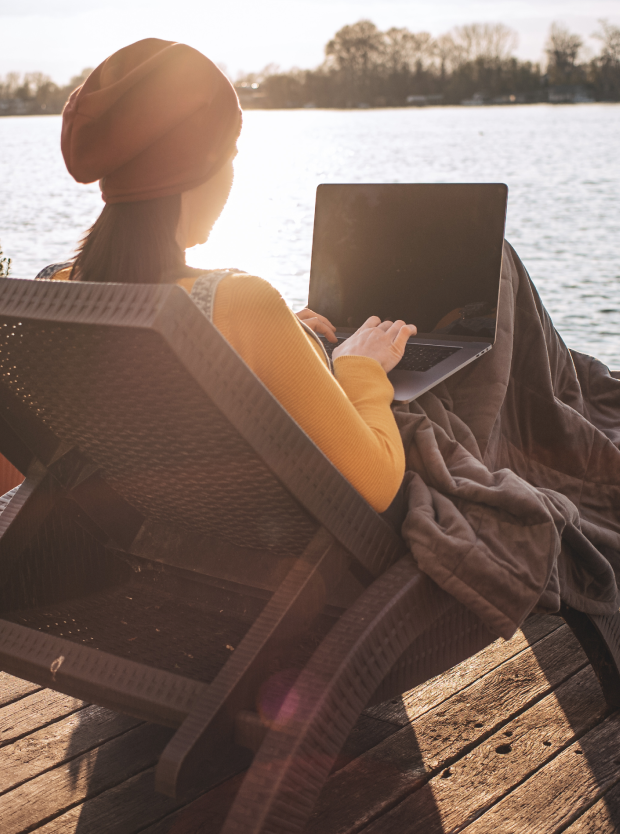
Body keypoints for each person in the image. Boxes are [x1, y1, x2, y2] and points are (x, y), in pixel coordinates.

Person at [51, 38, 412, 512]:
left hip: (155, 524)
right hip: (285, 541)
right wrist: (357, 365)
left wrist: (287, 337)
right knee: (504, 278)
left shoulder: (62, 289)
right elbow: (379, 484)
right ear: (198, 168)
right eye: (231, 153)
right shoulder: (243, 305)